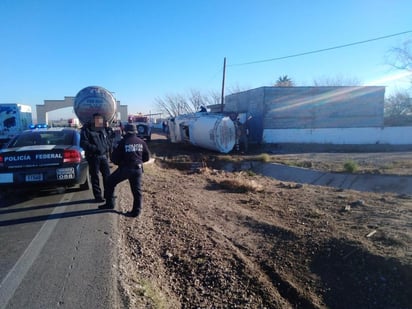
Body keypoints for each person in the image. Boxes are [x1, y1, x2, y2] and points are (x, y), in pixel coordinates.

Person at [99, 123, 151, 217]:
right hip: (138, 169)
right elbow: (147, 157)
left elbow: (114, 158)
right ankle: (136, 211)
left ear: (126, 131)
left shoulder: (124, 142)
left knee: (110, 182)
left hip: (126, 169)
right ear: (135, 131)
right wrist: (138, 160)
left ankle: (109, 204)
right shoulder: (141, 142)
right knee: (137, 191)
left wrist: (120, 163)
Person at [80, 113, 111, 202]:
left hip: (104, 156)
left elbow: (110, 138)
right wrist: (95, 149)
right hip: (93, 157)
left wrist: (108, 128)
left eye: (100, 119)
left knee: (107, 176)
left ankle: (108, 195)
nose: (99, 121)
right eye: (97, 119)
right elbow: (83, 143)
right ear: (93, 119)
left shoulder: (103, 129)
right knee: (95, 177)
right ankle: (98, 196)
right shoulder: (87, 130)